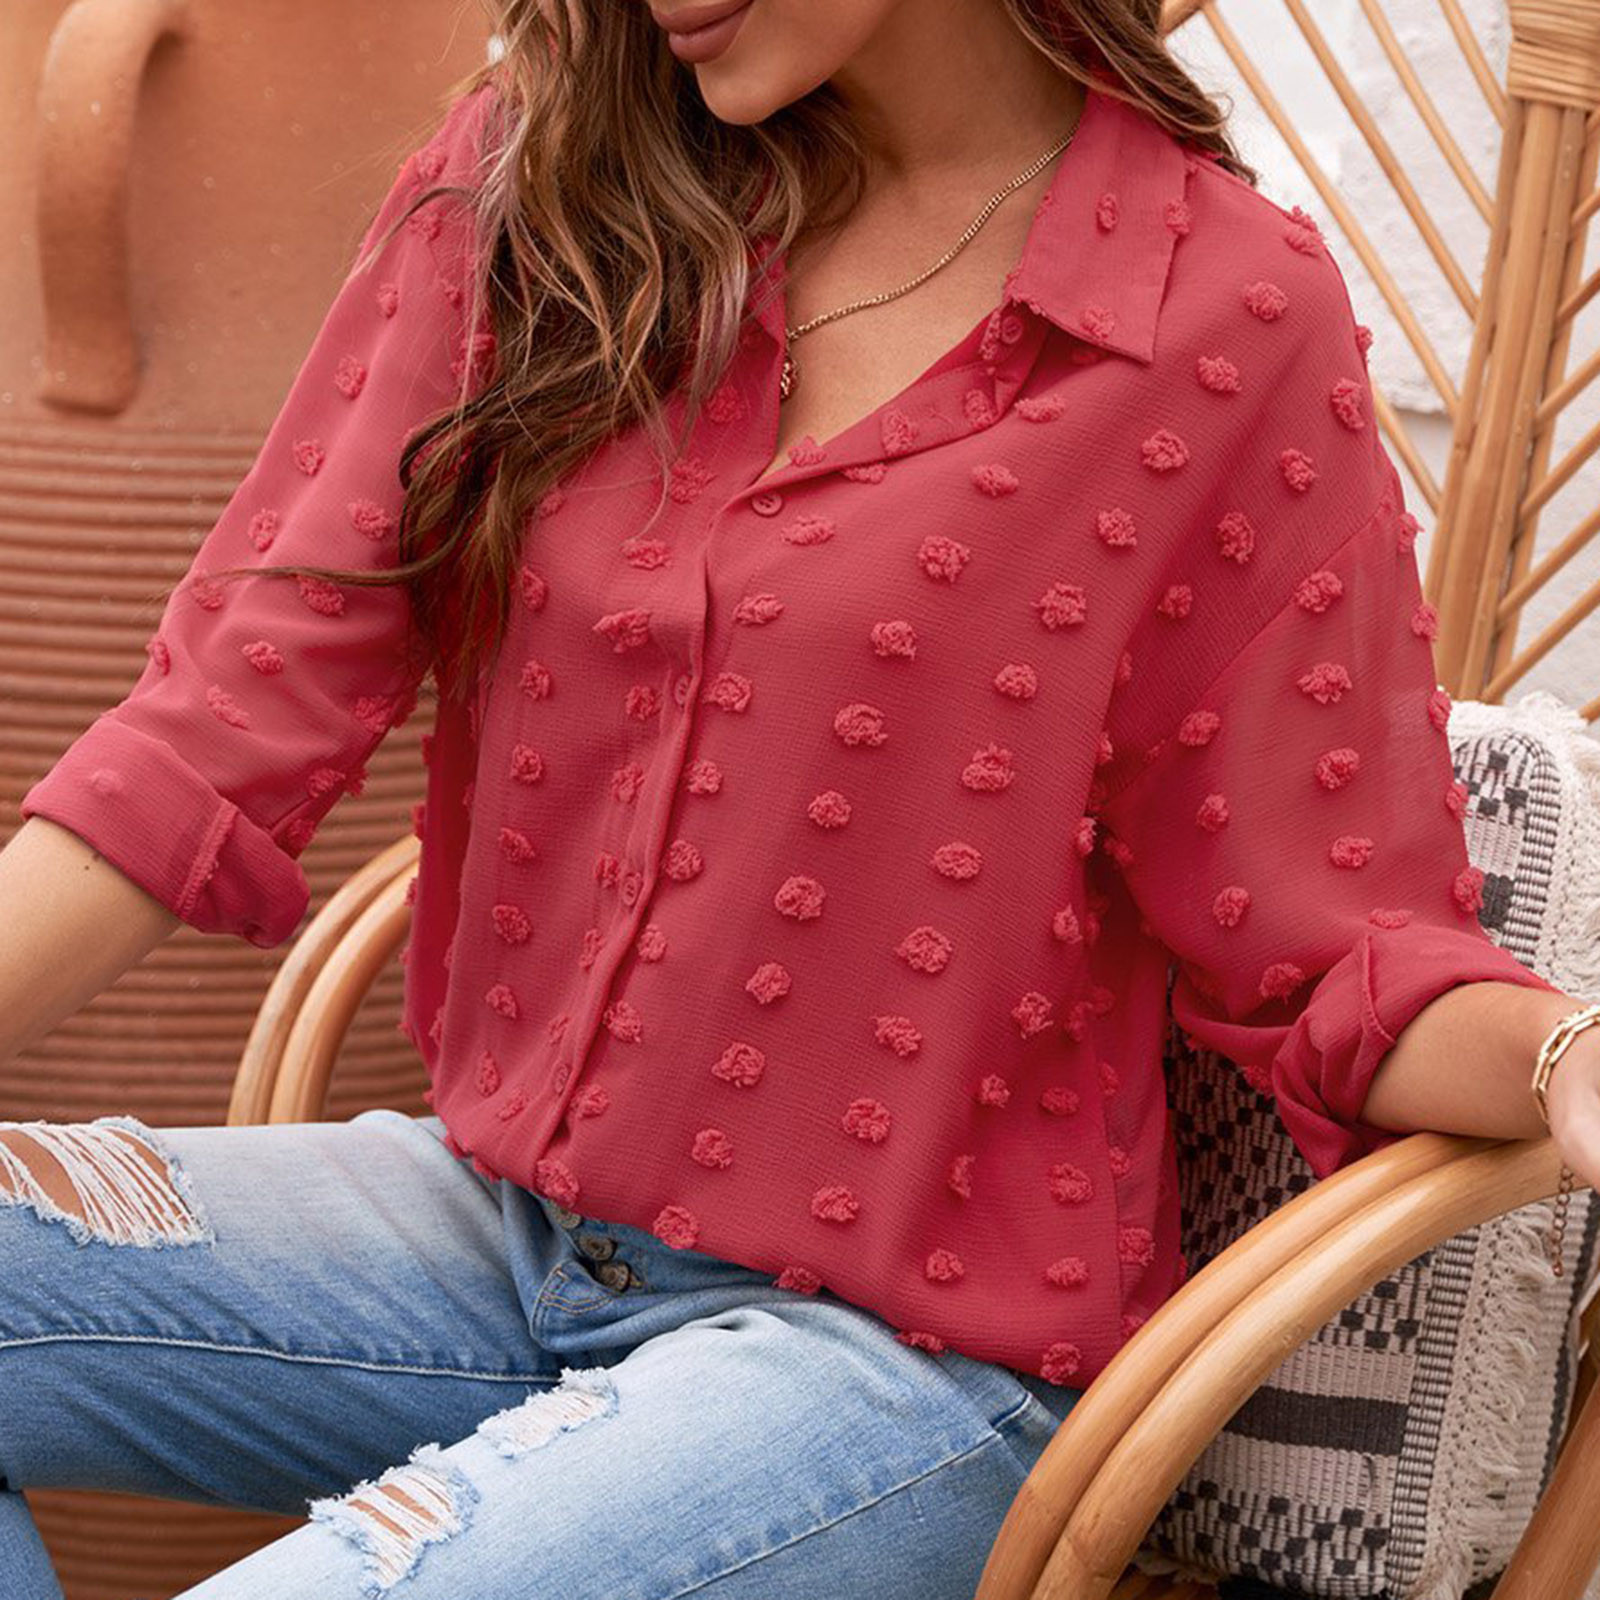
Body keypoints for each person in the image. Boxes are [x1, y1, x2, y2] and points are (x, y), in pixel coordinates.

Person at [3, 1, 1598, 1596]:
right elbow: (216, 729)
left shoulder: (1220, 316)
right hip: (496, 1235)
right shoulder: (541, 179)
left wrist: (1563, 1055)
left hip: (892, 1364)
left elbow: (1338, 948)